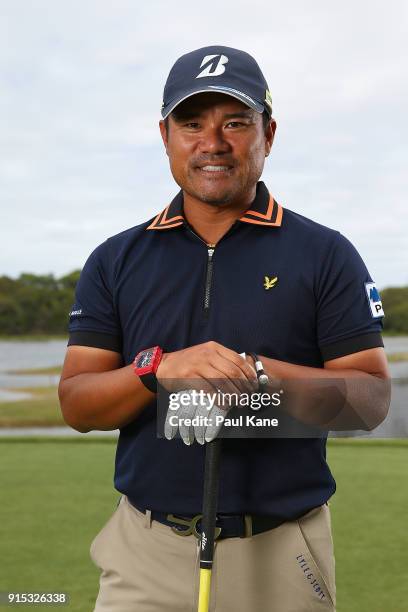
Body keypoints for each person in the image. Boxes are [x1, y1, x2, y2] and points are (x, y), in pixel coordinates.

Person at [58, 45, 390, 612]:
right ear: (165, 135)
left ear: (269, 132)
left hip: (282, 549)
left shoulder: (325, 253)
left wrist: (259, 375)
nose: (212, 143)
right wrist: (156, 369)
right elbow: (77, 405)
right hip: (145, 551)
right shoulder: (115, 259)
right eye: (192, 124)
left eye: (235, 122)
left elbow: (371, 400)